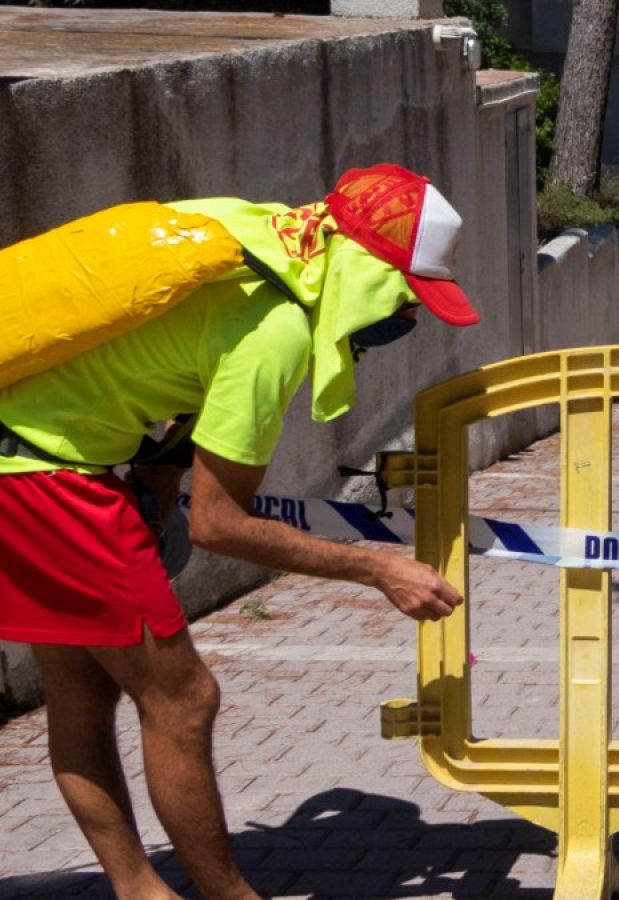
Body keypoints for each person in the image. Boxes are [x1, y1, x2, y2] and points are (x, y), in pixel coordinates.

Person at [0, 163, 478, 899]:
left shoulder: (249, 234)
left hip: (31, 462)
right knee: (184, 699)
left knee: (81, 696)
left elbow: (163, 372)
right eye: (406, 298)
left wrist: (152, 495)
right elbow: (223, 525)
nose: (408, 321)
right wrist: (379, 570)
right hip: (48, 483)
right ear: (363, 275)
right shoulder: (276, 331)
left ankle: (141, 890)